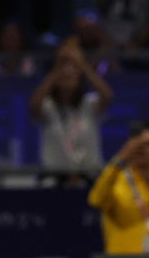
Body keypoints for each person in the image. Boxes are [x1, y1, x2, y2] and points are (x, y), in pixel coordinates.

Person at [28, 38, 113, 186]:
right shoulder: (48, 107)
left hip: (89, 175)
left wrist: (82, 64)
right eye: (64, 73)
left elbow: (108, 96)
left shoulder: (89, 104)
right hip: (55, 177)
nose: (68, 75)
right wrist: (57, 67)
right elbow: (34, 105)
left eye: (73, 72)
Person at [87, 124, 149, 254]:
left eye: (148, 144)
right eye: (137, 144)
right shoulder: (115, 181)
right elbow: (95, 200)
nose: (141, 149)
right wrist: (120, 159)